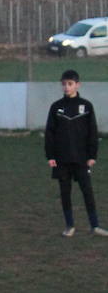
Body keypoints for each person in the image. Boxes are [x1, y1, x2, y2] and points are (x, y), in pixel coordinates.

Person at [45, 69, 107, 238]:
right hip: (61, 159)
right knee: (65, 193)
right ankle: (69, 225)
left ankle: (95, 225)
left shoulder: (86, 106)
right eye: (64, 84)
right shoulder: (56, 107)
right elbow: (49, 133)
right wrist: (50, 156)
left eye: (70, 84)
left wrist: (92, 155)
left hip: (81, 158)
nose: (66, 87)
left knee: (87, 191)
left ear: (77, 85)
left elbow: (92, 132)